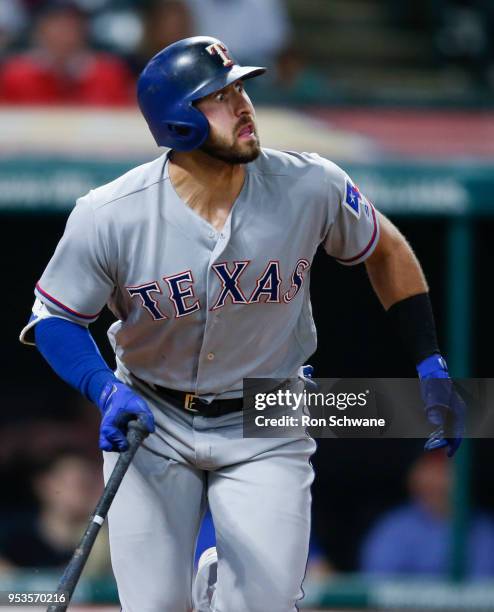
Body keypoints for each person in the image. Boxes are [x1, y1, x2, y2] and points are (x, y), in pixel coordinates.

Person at [20, 36, 465, 611]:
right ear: (179, 122)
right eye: (219, 97)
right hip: (152, 416)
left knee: (266, 604)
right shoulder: (110, 213)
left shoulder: (311, 183)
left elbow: (386, 250)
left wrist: (428, 359)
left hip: (269, 410)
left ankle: (221, 589)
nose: (244, 105)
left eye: (240, 90)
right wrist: (103, 389)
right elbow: (54, 319)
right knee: (153, 606)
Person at [360, 451, 494, 577]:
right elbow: (379, 583)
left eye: (443, 471)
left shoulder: (483, 529)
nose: (437, 482)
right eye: (431, 471)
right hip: (408, 602)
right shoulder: (395, 527)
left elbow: (483, 589)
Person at [0, 0, 133, 106]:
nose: (64, 32)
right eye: (56, 24)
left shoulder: (108, 73)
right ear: (39, 30)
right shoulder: (15, 74)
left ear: (84, 29)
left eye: (71, 24)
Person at [0, 450, 110, 576]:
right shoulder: (11, 536)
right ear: (45, 485)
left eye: (89, 485)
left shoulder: (103, 539)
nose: (83, 492)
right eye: (76, 483)